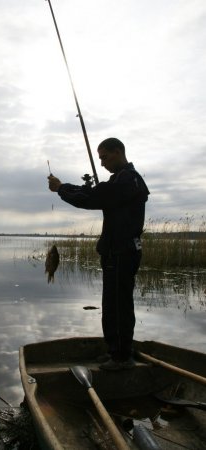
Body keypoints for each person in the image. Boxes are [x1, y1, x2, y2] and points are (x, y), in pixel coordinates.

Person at [48, 137, 149, 370]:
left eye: (105, 157)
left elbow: (90, 198)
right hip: (115, 253)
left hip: (123, 253)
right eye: (100, 158)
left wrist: (60, 189)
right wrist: (63, 187)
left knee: (119, 305)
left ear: (118, 151)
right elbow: (93, 193)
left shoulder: (128, 180)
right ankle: (116, 351)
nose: (101, 163)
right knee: (111, 303)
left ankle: (123, 357)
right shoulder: (119, 181)